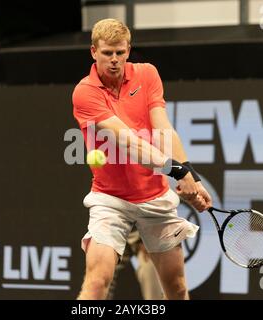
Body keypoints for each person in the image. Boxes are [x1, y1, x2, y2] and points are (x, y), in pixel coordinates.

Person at [72, 18, 212, 300]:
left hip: (154, 197)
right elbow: (129, 142)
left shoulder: (147, 74)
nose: (114, 60)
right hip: (110, 200)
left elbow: (163, 129)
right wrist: (176, 171)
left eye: (120, 53)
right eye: (107, 53)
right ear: (93, 52)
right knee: (97, 283)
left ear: (128, 50)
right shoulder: (85, 92)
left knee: (177, 287)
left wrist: (191, 176)